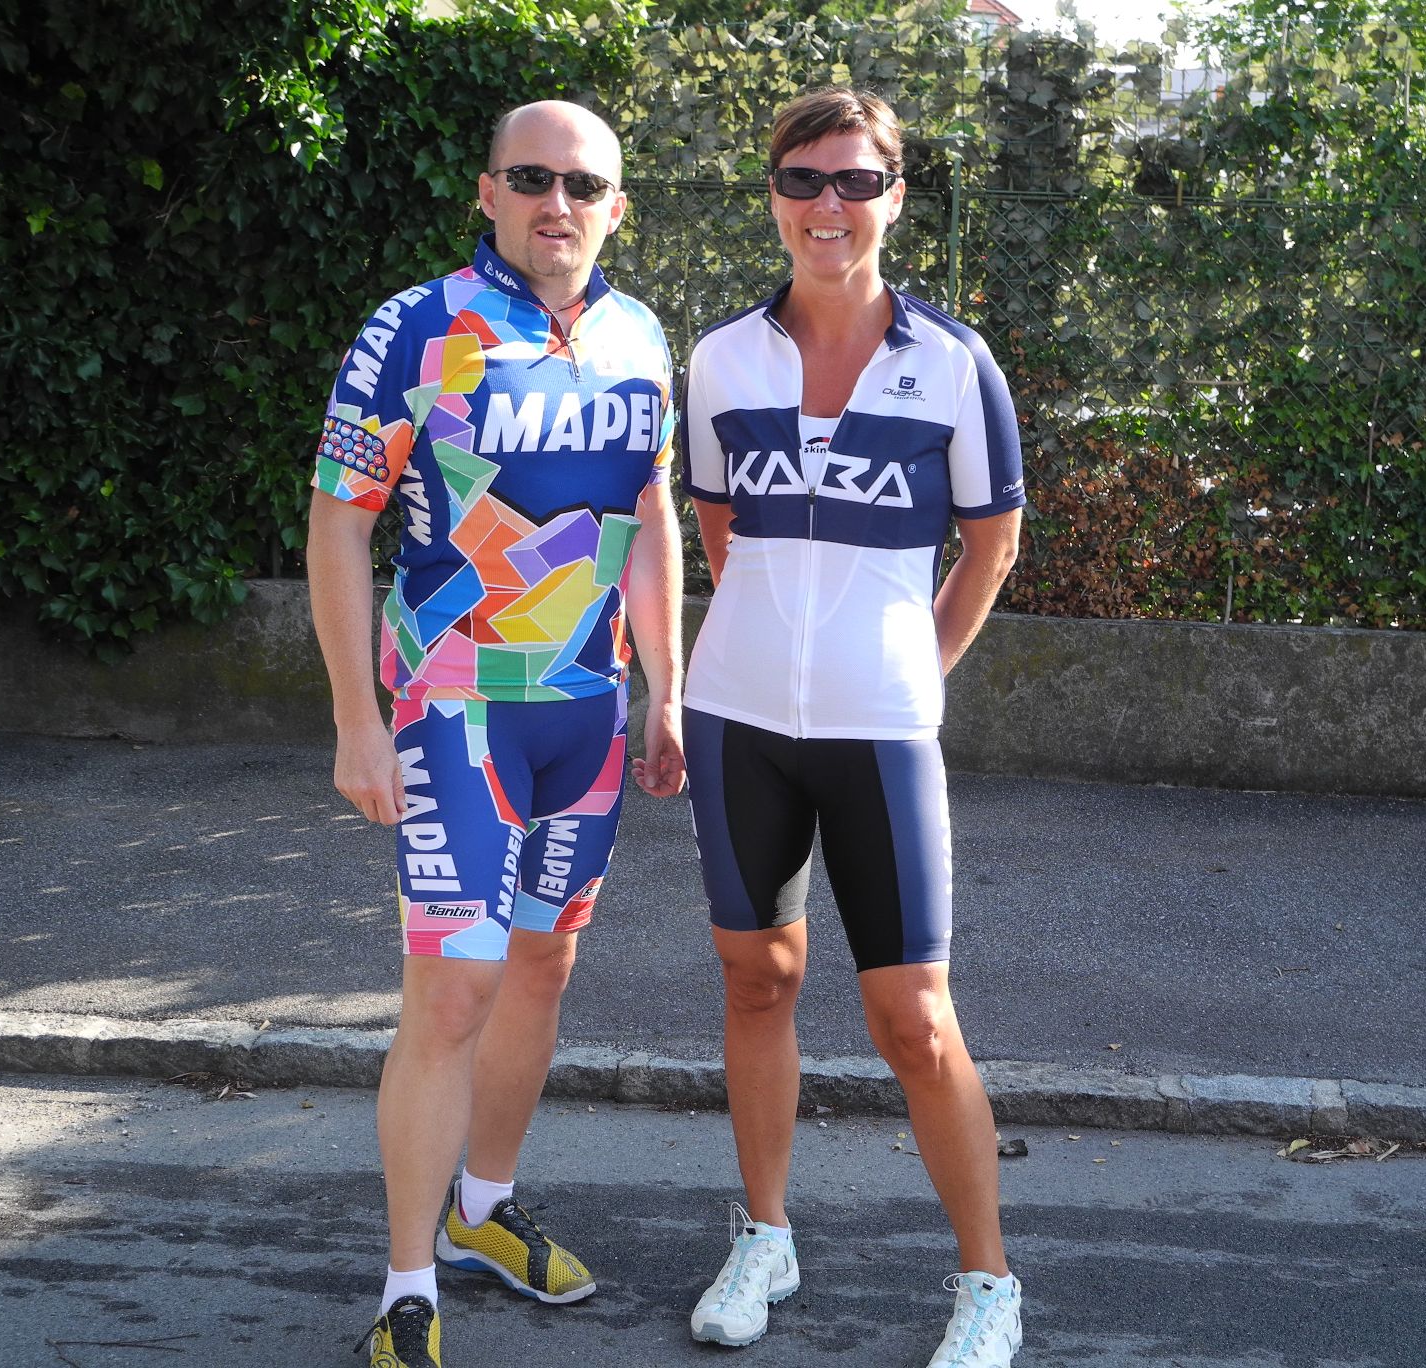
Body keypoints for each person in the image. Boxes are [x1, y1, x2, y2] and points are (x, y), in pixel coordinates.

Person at [306, 100, 683, 1368]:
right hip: (453, 708)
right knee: (456, 988)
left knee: (541, 971)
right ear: (487, 192)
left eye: (580, 184)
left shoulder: (640, 336)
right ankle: (407, 1288)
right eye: (529, 178)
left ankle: (484, 1210)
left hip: (589, 712)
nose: (554, 203)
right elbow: (339, 520)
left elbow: (649, 514)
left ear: (616, 207)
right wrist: (355, 719)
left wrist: (669, 688)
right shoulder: (417, 326)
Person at [679, 88, 1026, 1368]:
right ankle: (765, 1235)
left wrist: (905, 670)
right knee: (756, 980)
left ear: (895, 196)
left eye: (856, 182)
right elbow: (721, 532)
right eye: (803, 180)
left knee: (913, 1020)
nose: (828, 205)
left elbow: (991, 547)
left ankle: (989, 1285)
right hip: (738, 718)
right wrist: (774, 644)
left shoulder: (956, 363)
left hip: (880, 728)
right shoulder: (720, 359)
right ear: (774, 194)